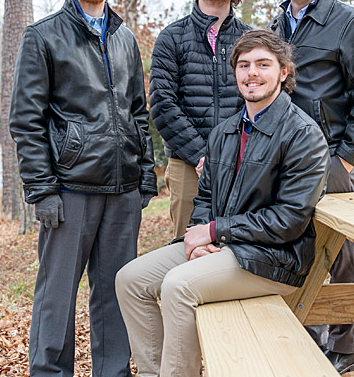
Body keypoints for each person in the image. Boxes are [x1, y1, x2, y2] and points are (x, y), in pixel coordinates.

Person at [116, 30, 330, 377]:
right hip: (225, 247)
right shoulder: (225, 132)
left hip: (273, 260)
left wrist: (215, 230)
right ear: (235, 73)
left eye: (263, 64)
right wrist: (199, 236)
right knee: (130, 280)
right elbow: (205, 197)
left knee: (178, 285)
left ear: (284, 72)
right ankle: (157, 372)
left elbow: (290, 219)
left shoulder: (302, 135)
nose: (252, 73)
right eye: (244, 65)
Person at [9, 0, 158, 377]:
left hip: (122, 190)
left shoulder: (125, 38)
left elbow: (137, 110)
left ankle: (112, 372)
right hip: (69, 190)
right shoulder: (43, 37)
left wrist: (145, 175)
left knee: (115, 293)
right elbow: (26, 120)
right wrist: (42, 190)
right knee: (57, 294)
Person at [269, 0, 354, 374]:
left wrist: (347, 160)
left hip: (330, 159)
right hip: (284, 160)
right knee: (298, 248)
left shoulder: (348, 21)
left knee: (341, 255)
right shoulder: (279, 24)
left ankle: (345, 347)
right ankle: (308, 340)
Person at [149, 0, 252, 240]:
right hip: (188, 165)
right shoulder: (172, 38)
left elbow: (261, 100)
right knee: (189, 245)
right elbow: (162, 104)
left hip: (241, 163)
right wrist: (202, 155)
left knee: (239, 248)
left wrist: (233, 153)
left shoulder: (251, 39)